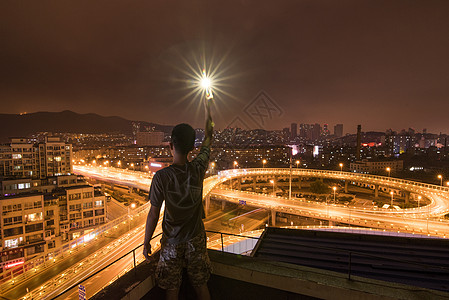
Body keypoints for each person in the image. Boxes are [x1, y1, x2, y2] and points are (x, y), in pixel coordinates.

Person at [143, 101, 213, 300]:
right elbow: (209, 136)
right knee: (201, 286)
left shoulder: (161, 178)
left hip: (172, 242)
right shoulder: (198, 168)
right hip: (196, 239)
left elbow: (154, 213)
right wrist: (209, 107)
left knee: (171, 289)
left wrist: (146, 241)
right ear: (192, 147)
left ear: (171, 146)